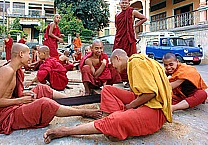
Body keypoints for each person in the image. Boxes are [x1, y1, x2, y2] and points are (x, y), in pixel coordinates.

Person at [43, 49, 172, 144]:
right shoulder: (135, 62)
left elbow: (150, 93)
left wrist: (131, 106)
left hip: (156, 111)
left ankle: (67, 130)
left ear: (117, 58)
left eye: (113, 64)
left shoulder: (136, 63)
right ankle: (111, 123)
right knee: (107, 90)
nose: (114, 68)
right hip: (147, 102)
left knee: (115, 120)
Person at [0, 43, 102, 135]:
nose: (30, 57)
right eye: (28, 54)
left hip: (13, 105)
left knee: (41, 89)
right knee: (45, 103)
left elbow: (9, 94)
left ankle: (74, 101)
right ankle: (83, 112)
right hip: (7, 115)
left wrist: (23, 94)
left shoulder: (17, 70)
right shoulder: (7, 71)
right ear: (20, 54)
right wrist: (19, 101)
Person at [114, 0, 147, 82]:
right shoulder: (117, 15)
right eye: (122, 3)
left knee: (131, 58)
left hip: (129, 40)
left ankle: (130, 79)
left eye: (126, 3)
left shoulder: (132, 12)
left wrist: (135, 25)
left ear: (129, 4)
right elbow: (117, 26)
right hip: (119, 39)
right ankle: (119, 78)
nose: (124, 5)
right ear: (120, 4)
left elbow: (144, 18)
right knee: (118, 58)